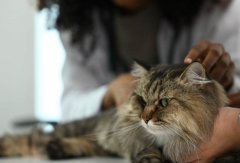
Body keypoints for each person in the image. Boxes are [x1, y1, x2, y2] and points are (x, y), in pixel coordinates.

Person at [37, 0, 240, 120]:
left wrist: (225, 84)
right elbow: (70, 106)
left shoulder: (219, 10)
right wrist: (108, 94)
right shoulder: (80, 25)